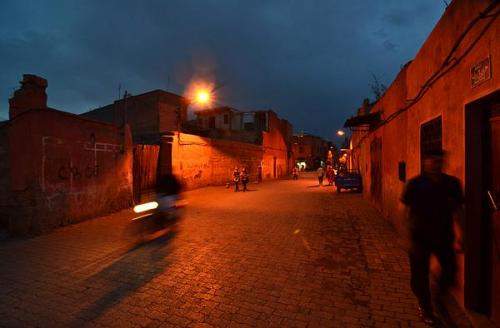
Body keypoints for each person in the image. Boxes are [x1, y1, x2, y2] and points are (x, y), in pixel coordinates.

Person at [400, 149, 464, 325]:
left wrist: (461, 234)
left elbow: (458, 210)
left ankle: (438, 295)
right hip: (419, 236)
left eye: (439, 161)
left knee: (450, 271)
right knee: (419, 276)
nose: (435, 164)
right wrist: (407, 237)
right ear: (425, 162)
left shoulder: (452, 184)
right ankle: (425, 307)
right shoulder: (415, 184)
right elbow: (405, 210)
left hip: (444, 235)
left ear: (443, 163)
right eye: (432, 161)